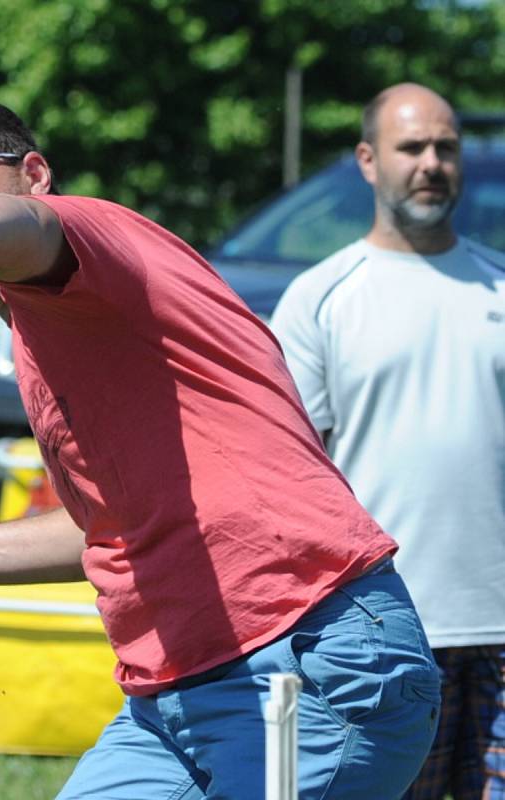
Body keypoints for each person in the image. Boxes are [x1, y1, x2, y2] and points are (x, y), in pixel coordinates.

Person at [0, 95, 440, 800]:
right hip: (172, 698)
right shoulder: (50, 334)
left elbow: (21, 225)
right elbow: (116, 526)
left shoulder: (91, 235)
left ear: (35, 175)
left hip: (306, 660)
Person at [271, 83, 505, 800]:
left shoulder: (499, 289)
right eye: (412, 147)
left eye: (446, 148)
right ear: (368, 161)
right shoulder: (321, 297)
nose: (431, 163)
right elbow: (283, 479)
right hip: (377, 638)